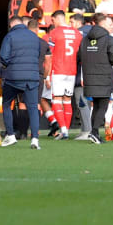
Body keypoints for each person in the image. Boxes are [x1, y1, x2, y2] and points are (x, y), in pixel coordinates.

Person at [0, 16, 46, 148]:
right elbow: (38, 55)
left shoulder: (10, 36)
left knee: (7, 104)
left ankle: (10, 135)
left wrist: (9, 66)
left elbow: (3, 56)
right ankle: (35, 139)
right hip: (32, 77)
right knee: (33, 107)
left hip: (13, 77)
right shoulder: (34, 37)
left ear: (12, 25)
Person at [77, 13, 113, 144]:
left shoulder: (85, 39)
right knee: (103, 105)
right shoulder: (109, 39)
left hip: (89, 77)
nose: (111, 27)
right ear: (103, 24)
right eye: (109, 24)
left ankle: (93, 132)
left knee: (96, 105)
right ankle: (94, 132)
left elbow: (79, 57)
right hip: (104, 77)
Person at [45, 11, 82, 139]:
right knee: (67, 100)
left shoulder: (55, 33)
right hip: (71, 70)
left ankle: (64, 130)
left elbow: (49, 55)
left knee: (56, 99)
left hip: (58, 70)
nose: (52, 23)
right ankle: (65, 130)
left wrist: (47, 76)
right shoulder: (77, 33)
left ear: (56, 19)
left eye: (52, 20)